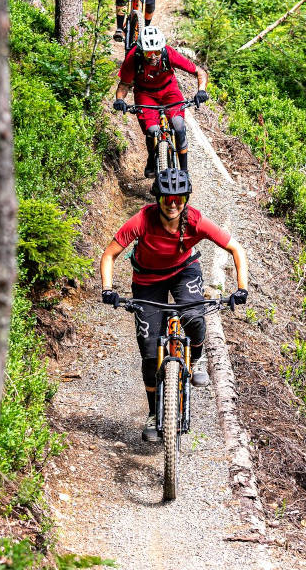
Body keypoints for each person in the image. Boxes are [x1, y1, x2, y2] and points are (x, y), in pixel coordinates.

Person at [98, 168, 249, 442]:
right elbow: (109, 255)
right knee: (147, 349)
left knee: (194, 318)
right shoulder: (142, 220)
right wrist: (107, 288)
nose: (173, 203)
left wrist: (242, 288)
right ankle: (155, 413)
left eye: (179, 198)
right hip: (147, 279)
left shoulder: (196, 221)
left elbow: (236, 249)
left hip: (184, 271)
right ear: (158, 198)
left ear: (186, 198)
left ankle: (197, 359)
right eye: (167, 197)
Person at [113, 26, 209, 178]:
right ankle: (152, 158)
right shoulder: (133, 58)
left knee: (178, 126)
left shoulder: (168, 54)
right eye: (148, 52)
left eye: (157, 52)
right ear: (141, 50)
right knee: (152, 131)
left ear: (161, 49)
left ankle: (184, 171)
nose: (153, 57)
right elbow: (124, 85)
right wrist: (119, 100)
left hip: (169, 90)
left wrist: (202, 90)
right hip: (145, 94)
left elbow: (199, 72)